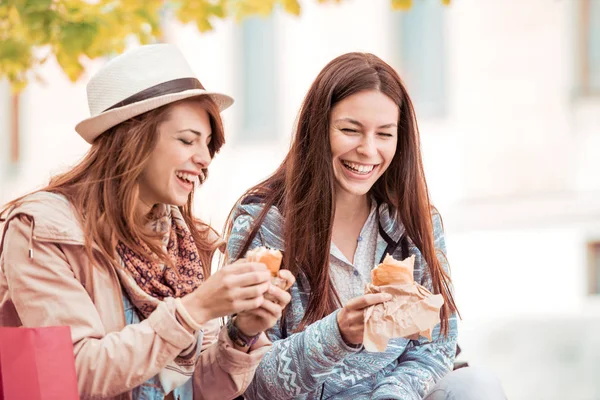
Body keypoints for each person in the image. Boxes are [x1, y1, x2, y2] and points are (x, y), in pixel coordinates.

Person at [0, 44, 294, 400]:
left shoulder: (186, 242)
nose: (203, 158)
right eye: (187, 140)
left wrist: (242, 332)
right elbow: (71, 374)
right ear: (132, 139)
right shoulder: (43, 229)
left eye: (208, 144)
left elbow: (192, 389)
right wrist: (195, 308)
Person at [225, 52, 506, 399]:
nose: (368, 150)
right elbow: (250, 379)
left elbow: (437, 347)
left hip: (394, 395)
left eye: (384, 134)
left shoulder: (415, 221)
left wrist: (393, 395)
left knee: (478, 385)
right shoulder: (263, 223)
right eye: (350, 130)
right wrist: (337, 335)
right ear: (318, 128)